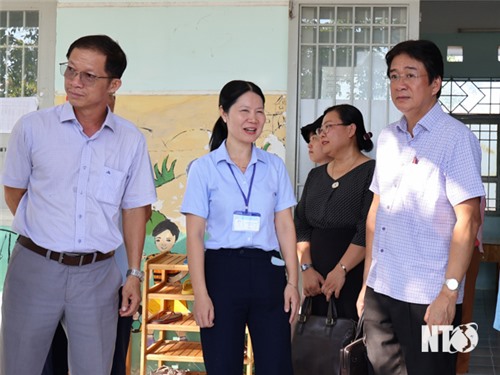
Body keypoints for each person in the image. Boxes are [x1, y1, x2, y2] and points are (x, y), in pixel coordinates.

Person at [0, 34, 157, 375]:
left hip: (98, 275)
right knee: (20, 366)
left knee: (94, 369)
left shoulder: (130, 140)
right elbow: (14, 192)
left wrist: (132, 273)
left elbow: (134, 211)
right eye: (70, 70)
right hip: (35, 267)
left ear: (113, 84)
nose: (74, 82)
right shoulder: (33, 128)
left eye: (88, 75)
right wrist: (48, 231)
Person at [356, 40, 484, 375]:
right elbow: (377, 213)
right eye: (394, 75)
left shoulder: (457, 139)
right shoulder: (387, 138)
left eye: (410, 75)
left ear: (435, 83)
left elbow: (467, 222)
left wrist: (448, 293)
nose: (400, 84)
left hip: (431, 296)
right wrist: (367, 284)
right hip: (382, 290)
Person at [180, 80, 300, 375]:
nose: (253, 119)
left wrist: (293, 283)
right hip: (222, 273)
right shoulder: (204, 169)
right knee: (223, 366)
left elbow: (285, 227)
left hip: (267, 272)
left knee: (276, 365)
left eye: (259, 112)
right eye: (244, 110)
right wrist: (201, 294)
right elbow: (194, 236)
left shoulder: (273, 167)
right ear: (224, 113)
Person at [40, 94, 141, 375]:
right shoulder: (61, 152)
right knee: (53, 356)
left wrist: (134, 275)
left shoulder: (127, 147)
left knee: (107, 360)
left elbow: (140, 214)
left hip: (112, 278)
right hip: (54, 276)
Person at [295, 104, 374, 320]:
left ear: (350, 130)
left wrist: (341, 270)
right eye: (321, 130)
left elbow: (368, 228)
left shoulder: (371, 172)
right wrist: (306, 268)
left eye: (328, 127)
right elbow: (301, 224)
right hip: (315, 281)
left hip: (352, 278)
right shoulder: (316, 176)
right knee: (315, 341)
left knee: (350, 346)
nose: (322, 135)